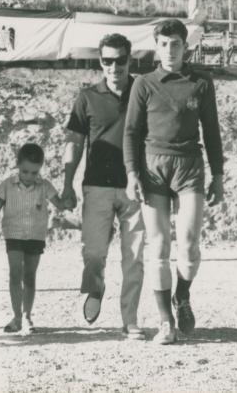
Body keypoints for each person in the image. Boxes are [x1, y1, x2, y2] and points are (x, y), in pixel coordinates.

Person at [123, 19, 224, 345]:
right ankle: (165, 322)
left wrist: (218, 175)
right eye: (164, 44)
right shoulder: (144, 83)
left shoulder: (201, 82)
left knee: (190, 244)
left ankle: (182, 296)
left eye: (176, 43)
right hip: (153, 170)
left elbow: (211, 131)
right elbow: (132, 133)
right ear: (156, 46)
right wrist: (132, 173)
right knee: (160, 246)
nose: (170, 50)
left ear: (186, 46)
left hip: (190, 168)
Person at [62, 33, 146, 341]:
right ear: (100, 62)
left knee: (133, 258)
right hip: (96, 186)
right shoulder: (87, 97)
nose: (114, 67)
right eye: (107, 61)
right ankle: (95, 289)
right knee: (94, 253)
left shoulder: (143, 91)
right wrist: (67, 183)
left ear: (129, 60)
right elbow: (74, 141)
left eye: (120, 60)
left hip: (135, 189)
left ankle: (131, 319)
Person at [0, 143, 66, 334]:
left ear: (40, 169)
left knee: (29, 276)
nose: (29, 177)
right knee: (14, 274)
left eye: (34, 173)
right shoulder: (7, 185)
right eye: (25, 171)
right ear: (17, 165)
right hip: (13, 235)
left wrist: (69, 199)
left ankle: (27, 316)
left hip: (36, 236)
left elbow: (60, 204)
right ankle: (17, 317)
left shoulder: (45, 186)